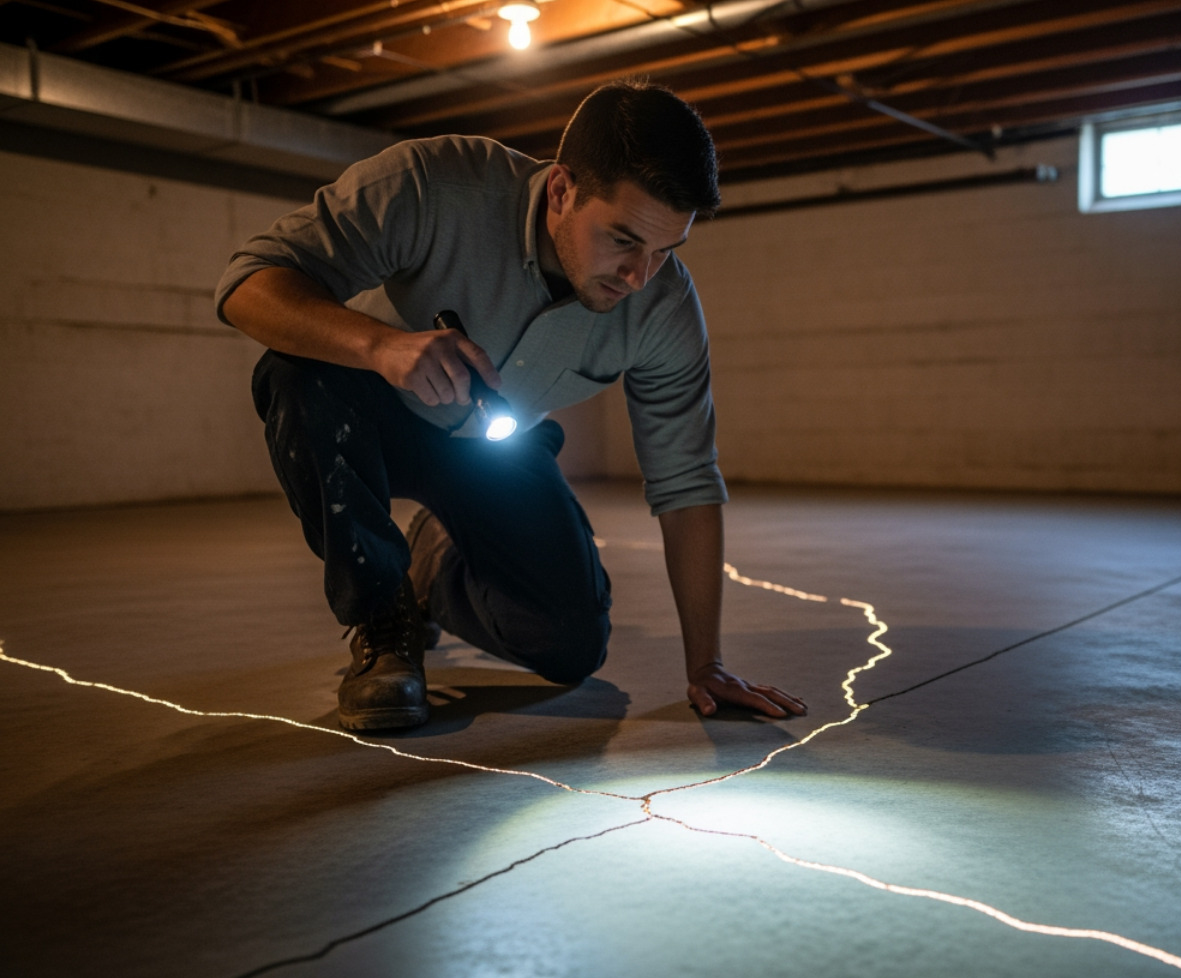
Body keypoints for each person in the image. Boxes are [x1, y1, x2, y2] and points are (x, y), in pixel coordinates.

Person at [217, 80, 807, 731]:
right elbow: (248, 283)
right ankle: (383, 621)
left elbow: (686, 482)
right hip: (369, 413)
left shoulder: (663, 308)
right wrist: (382, 346)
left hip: (496, 448)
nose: (639, 276)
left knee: (570, 645)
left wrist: (707, 665)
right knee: (294, 374)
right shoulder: (434, 185)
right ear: (561, 191)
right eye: (623, 239)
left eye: (664, 250)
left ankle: (433, 566)